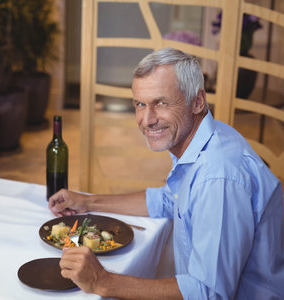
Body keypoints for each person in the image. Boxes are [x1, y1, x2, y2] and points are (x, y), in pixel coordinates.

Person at [49, 48, 284, 299]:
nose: (147, 119)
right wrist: (88, 201)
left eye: (161, 103)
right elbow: (167, 199)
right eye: (140, 104)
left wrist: (103, 282)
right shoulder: (210, 138)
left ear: (197, 101)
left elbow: (208, 293)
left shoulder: (218, 176)